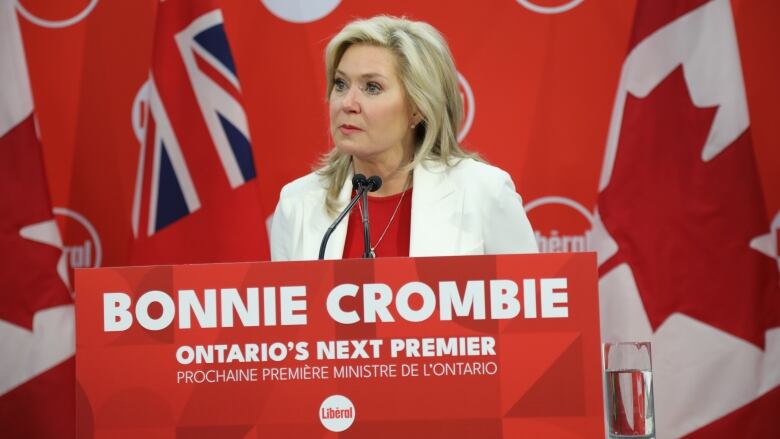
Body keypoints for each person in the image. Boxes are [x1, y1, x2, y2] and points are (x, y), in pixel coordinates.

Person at [270, 15, 537, 261]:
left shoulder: (484, 193)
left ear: (417, 108)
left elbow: (529, 307)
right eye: (341, 84)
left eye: (371, 87)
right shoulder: (297, 203)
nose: (347, 103)